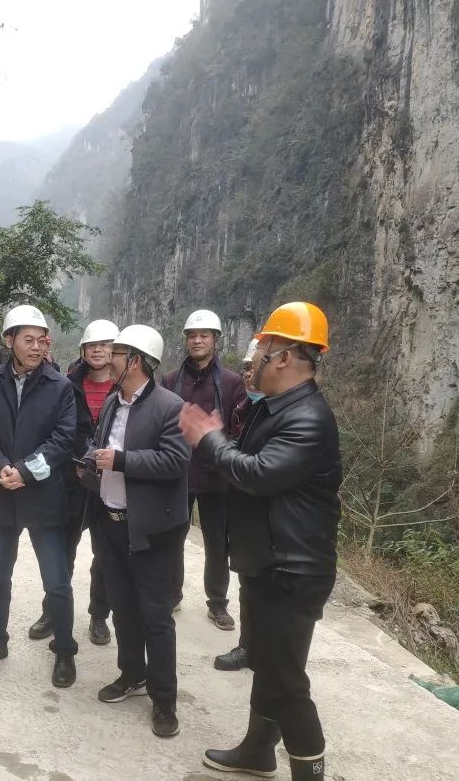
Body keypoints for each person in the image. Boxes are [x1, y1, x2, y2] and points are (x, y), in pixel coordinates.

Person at [179, 303, 341, 781]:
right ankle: (258, 750)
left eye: (263, 352)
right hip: (266, 562)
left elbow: (258, 474)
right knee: (268, 666)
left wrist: (209, 439)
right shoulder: (273, 409)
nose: (255, 362)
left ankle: (310, 770)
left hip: (292, 571)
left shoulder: (308, 418)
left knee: (286, 680)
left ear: (285, 357)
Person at [0, 305, 79, 688]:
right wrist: (0, 467)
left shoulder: (59, 386)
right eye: (28, 340)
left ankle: (65, 650)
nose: (36, 347)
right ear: (9, 341)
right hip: (1, 495)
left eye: (41, 340)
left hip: (43, 496)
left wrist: (24, 471)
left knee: (56, 580)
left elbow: (63, 439)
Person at [84, 324, 190, 738]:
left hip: (151, 531)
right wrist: (90, 462)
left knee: (156, 617)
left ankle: (164, 699)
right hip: (110, 524)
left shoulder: (170, 406)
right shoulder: (113, 401)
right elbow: (103, 447)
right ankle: (132, 674)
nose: (108, 357)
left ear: (136, 361)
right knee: (124, 609)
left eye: (116, 352)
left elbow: (175, 462)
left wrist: (122, 460)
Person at [27, 319, 117, 647]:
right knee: (62, 550)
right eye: (91, 345)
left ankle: (99, 615)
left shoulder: (125, 387)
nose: (97, 350)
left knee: (105, 554)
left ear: (116, 351)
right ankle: (53, 610)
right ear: (83, 350)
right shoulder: (67, 385)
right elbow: (60, 429)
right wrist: (79, 462)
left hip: (111, 483)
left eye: (105, 345)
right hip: (72, 479)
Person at [161, 309, 244, 626]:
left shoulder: (232, 383)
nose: (197, 340)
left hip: (216, 476)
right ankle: (171, 595)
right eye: (192, 335)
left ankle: (218, 603)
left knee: (217, 543)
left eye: (204, 335)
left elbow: (237, 431)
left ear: (215, 340)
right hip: (178, 473)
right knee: (172, 537)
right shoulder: (170, 381)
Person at [215, 337, 262, 672]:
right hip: (246, 511)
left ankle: (265, 654)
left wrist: (212, 442)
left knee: (269, 594)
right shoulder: (248, 408)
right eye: (245, 368)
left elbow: (258, 468)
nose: (248, 374)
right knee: (249, 581)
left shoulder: (288, 414)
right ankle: (248, 646)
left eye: (254, 367)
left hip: (271, 519)